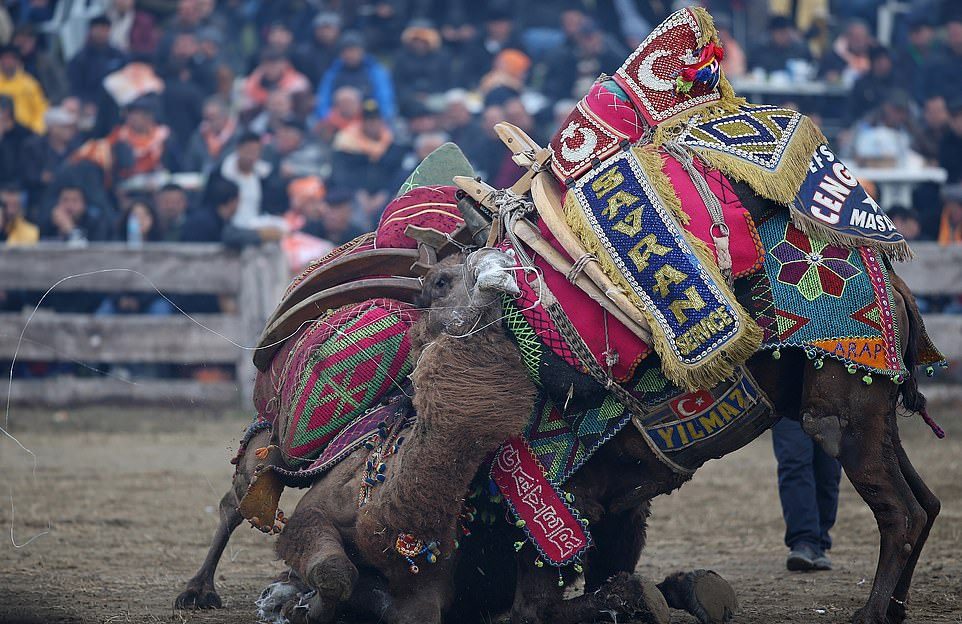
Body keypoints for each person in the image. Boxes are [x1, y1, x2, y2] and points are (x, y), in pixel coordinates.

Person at [772, 417, 841, 572]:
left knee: (829, 470)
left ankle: (819, 542)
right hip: (788, 401)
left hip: (832, 402)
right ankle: (803, 541)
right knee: (793, 462)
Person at [313, 31, 396, 123]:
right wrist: (328, 119)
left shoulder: (375, 72)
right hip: (338, 120)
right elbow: (323, 100)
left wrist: (377, 119)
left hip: (368, 120)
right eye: (346, 51)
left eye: (354, 50)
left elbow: (385, 101)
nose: (350, 55)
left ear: (362, 51)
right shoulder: (332, 73)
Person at [67, 15, 127, 104]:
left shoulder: (119, 56)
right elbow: (75, 88)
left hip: (116, 102)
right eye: (97, 29)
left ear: (109, 30)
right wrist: (84, 102)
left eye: (104, 29)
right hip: (87, 104)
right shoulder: (80, 58)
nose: (101, 33)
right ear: (90, 31)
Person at [0, 44, 48, 134]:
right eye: (4, 58)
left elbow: (41, 109)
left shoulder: (30, 83)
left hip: (28, 132)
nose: (7, 62)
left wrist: (36, 129)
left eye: (11, 59)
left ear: (17, 61)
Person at [41, 185, 113, 243]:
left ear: (84, 204)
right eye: (65, 200)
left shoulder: (95, 224)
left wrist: (70, 230)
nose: (69, 205)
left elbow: (90, 254)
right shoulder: (48, 224)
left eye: (75, 201)